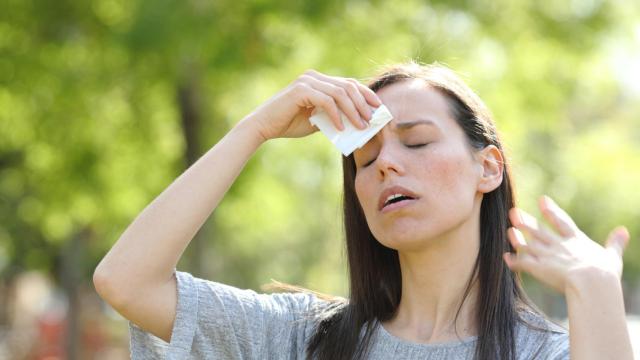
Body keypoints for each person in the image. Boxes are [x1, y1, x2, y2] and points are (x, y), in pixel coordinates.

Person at [93, 62, 634, 360]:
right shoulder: (303, 340)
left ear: (488, 169)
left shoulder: (550, 354)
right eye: (365, 157)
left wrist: (596, 288)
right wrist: (254, 129)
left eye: (416, 142)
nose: (385, 167)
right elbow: (125, 281)